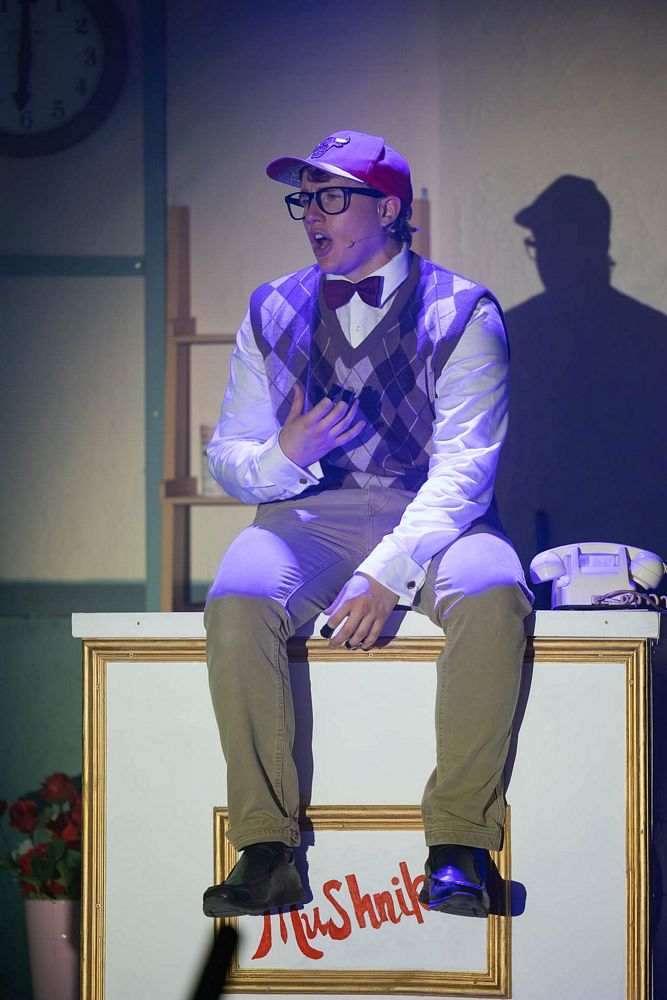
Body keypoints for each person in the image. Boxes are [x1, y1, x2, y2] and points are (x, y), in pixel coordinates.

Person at [202, 130, 533, 920]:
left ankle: (458, 844)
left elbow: (465, 469)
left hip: (432, 513)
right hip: (308, 513)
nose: (312, 215)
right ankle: (264, 847)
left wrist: (387, 571)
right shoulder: (272, 307)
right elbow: (229, 455)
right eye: (304, 200)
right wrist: (285, 453)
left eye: (330, 197)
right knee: (237, 598)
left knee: (494, 592)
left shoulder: (463, 310)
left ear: (387, 209)